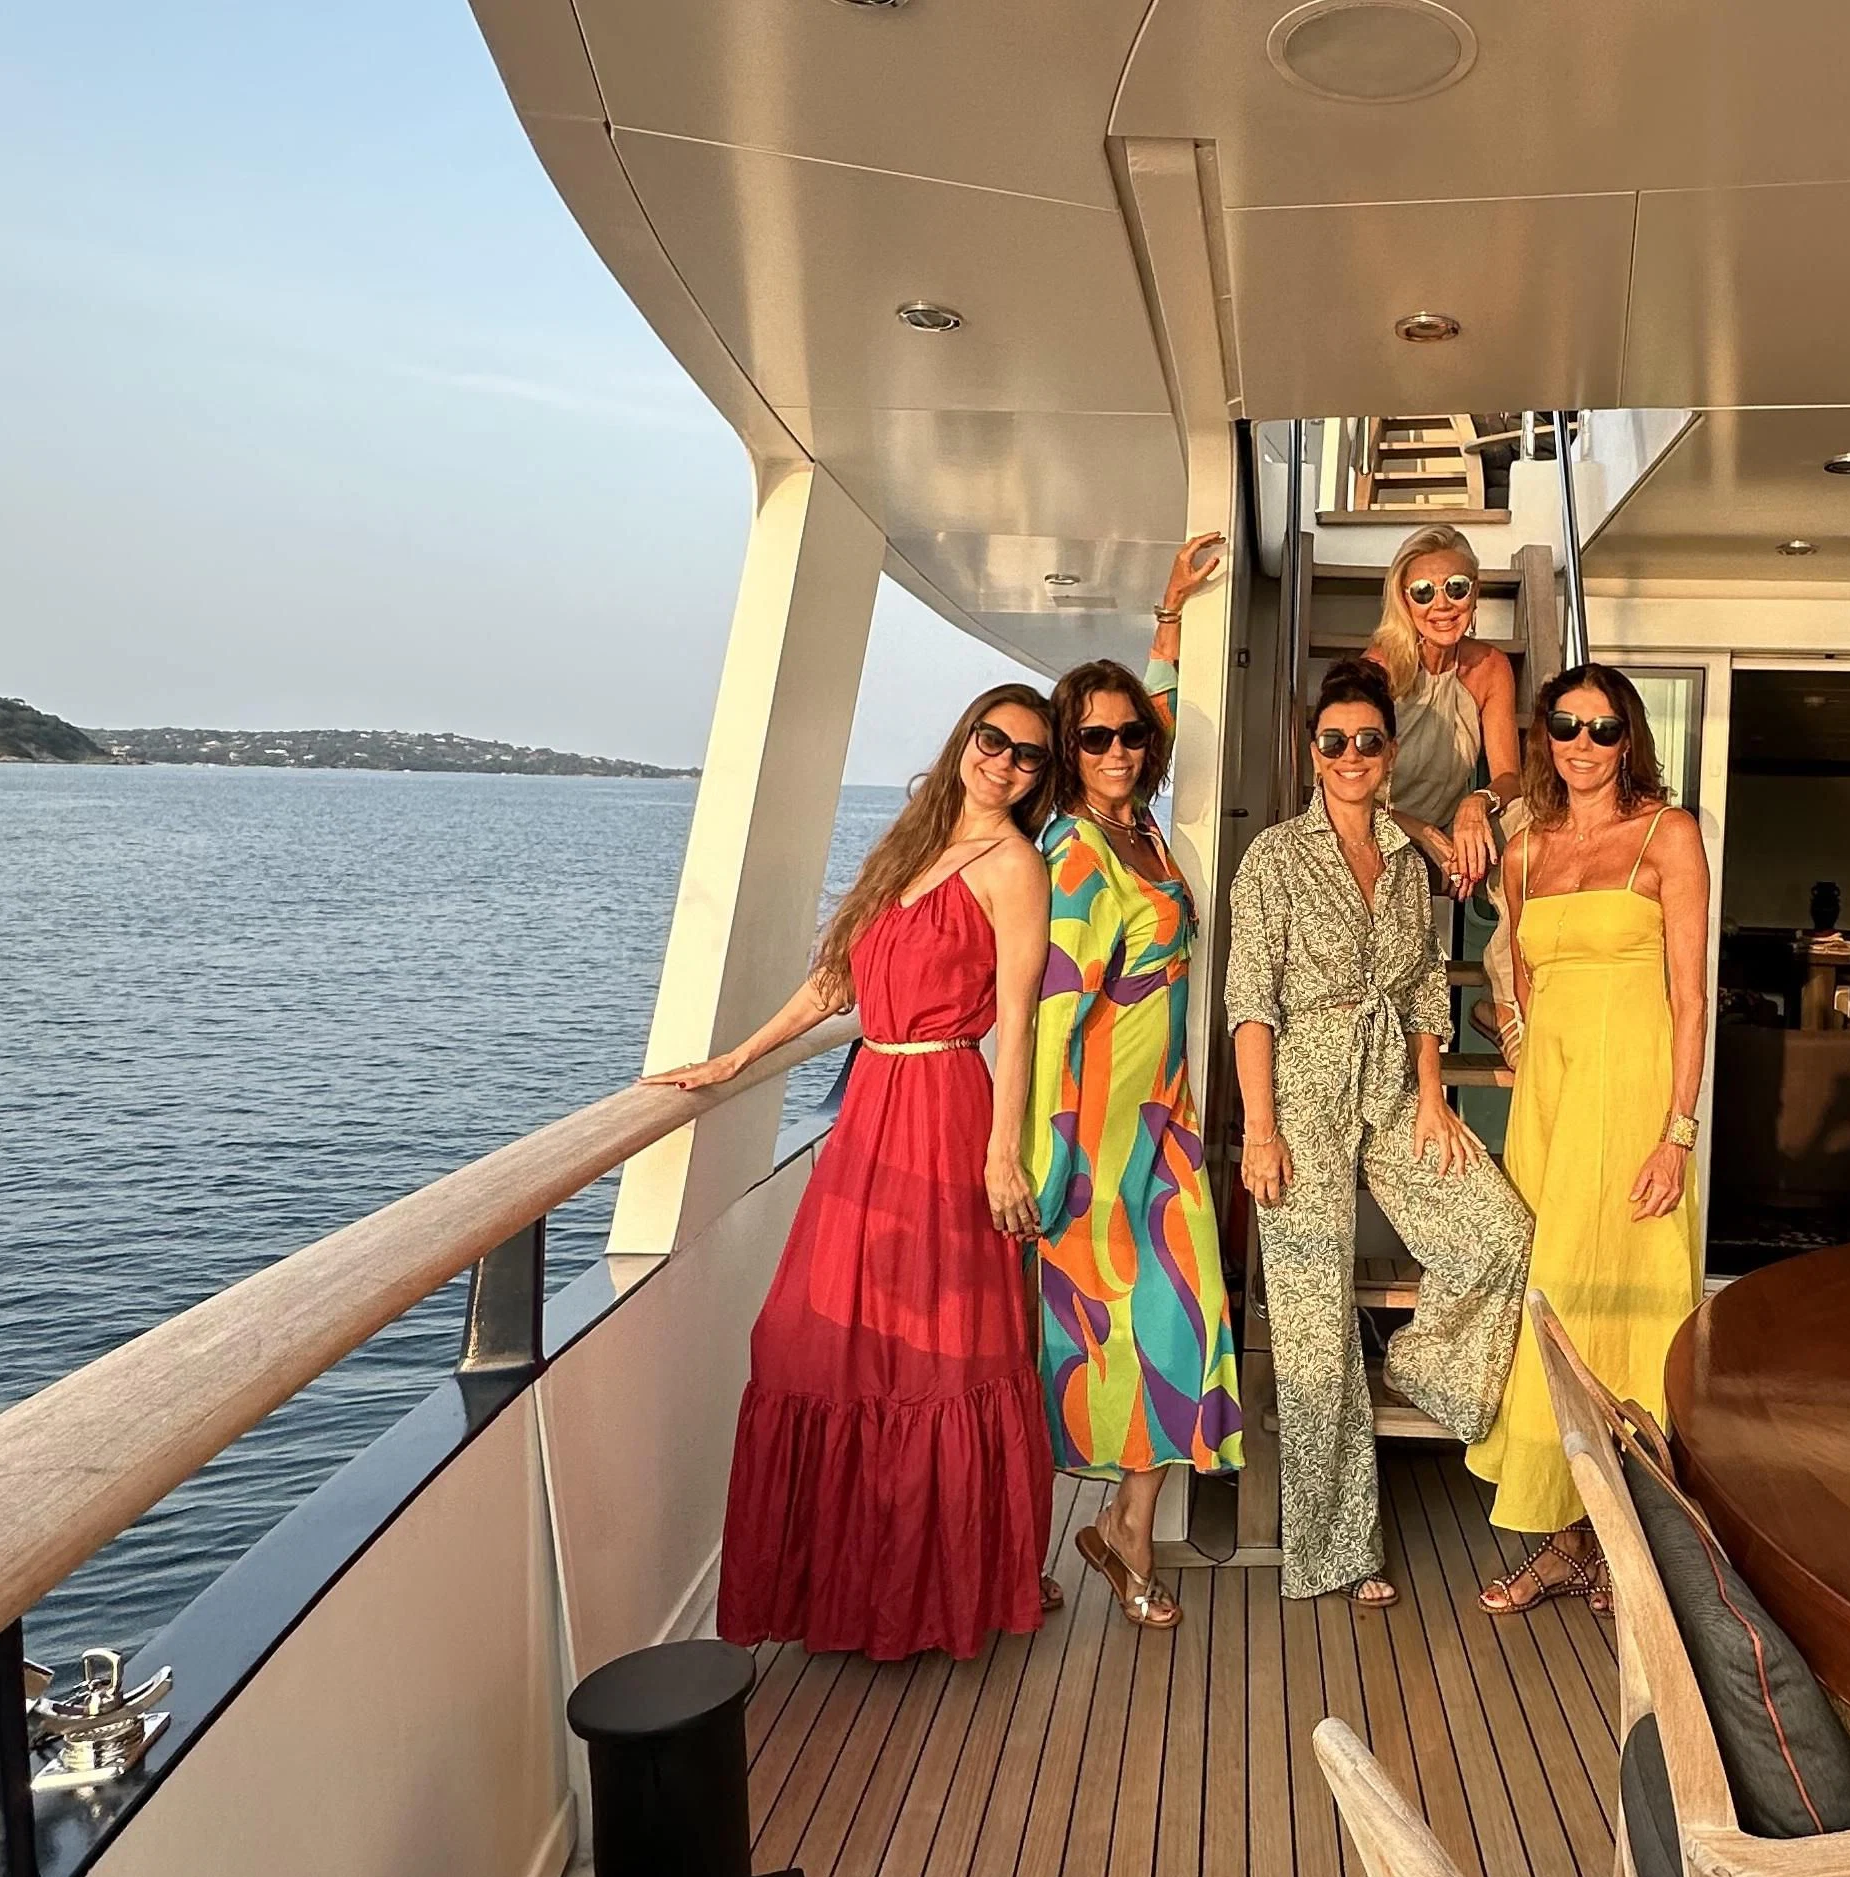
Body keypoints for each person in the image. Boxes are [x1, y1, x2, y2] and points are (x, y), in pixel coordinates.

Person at [651, 686, 1057, 1661]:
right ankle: (848, 1589)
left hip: (945, 1112)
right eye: (992, 740)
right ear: (965, 739)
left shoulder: (1015, 867)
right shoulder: (909, 846)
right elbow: (836, 983)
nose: (1003, 762)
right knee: (808, 1342)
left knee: (935, 1356)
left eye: (1028, 756)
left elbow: (1020, 1018)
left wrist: (1004, 1153)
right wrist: (734, 1060)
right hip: (870, 1116)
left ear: (1041, 779)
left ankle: (936, 1597)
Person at [1226, 661, 1533, 1604]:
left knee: (1497, 1231)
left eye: (1367, 741)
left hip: (1395, 1084)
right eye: (1334, 742)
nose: (1351, 756)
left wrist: (1437, 1097)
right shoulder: (1274, 858)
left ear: (1390, 753)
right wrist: (1260, 1131)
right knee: (1314, 1326)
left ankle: (1422, 1364)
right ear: (1310, 753)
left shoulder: (1409, 862)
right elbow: (1252, 1003)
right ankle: (1335, 1552)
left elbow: (1421, 992)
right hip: (1303, 1091)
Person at [1468, 663, 1710, 1612]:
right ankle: (1571, 1540)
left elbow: (1690, 1001)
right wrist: (1526, 1049)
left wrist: (1677, 1133)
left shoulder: (1669, 835)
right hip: (1552, 1110)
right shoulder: (1526, 852)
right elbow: (1523, 982)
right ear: (1544, 735)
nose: (1582, 744)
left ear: (1629, 739)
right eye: (1565, 726)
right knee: (1552, 1311)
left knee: (1628, 1313)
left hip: (1636, 1102)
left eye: (1603, 730)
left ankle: (1631, 1544)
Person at [1031, 589, 1244, 1629]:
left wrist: (1165, 629)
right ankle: (1094, 1536)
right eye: (1094, 737)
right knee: (1101, 1333)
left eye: (1128, 737)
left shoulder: (1140, 827)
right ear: (1069, 752)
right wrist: (1040, 1163)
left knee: (1184, 1320)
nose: (1118, 750)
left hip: (1163, 1115)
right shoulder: (1074, 854)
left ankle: (1126, 1524)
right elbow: (1049, 1022)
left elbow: (1150, 719)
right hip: (1096, 1133)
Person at [1359, 523, 1519, 898]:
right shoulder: (1379, 668)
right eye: (1423, 592)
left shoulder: (1491, 666)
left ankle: (1516, 956)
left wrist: (1477, 802)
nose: (1442, 605)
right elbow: (1343, 790)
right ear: (1405, 600)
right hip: (1377, 822)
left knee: (1525, 832)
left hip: (1453, 825)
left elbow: (1511, 777)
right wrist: (1423, 832)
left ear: (1474, 593)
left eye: (1457, 588)